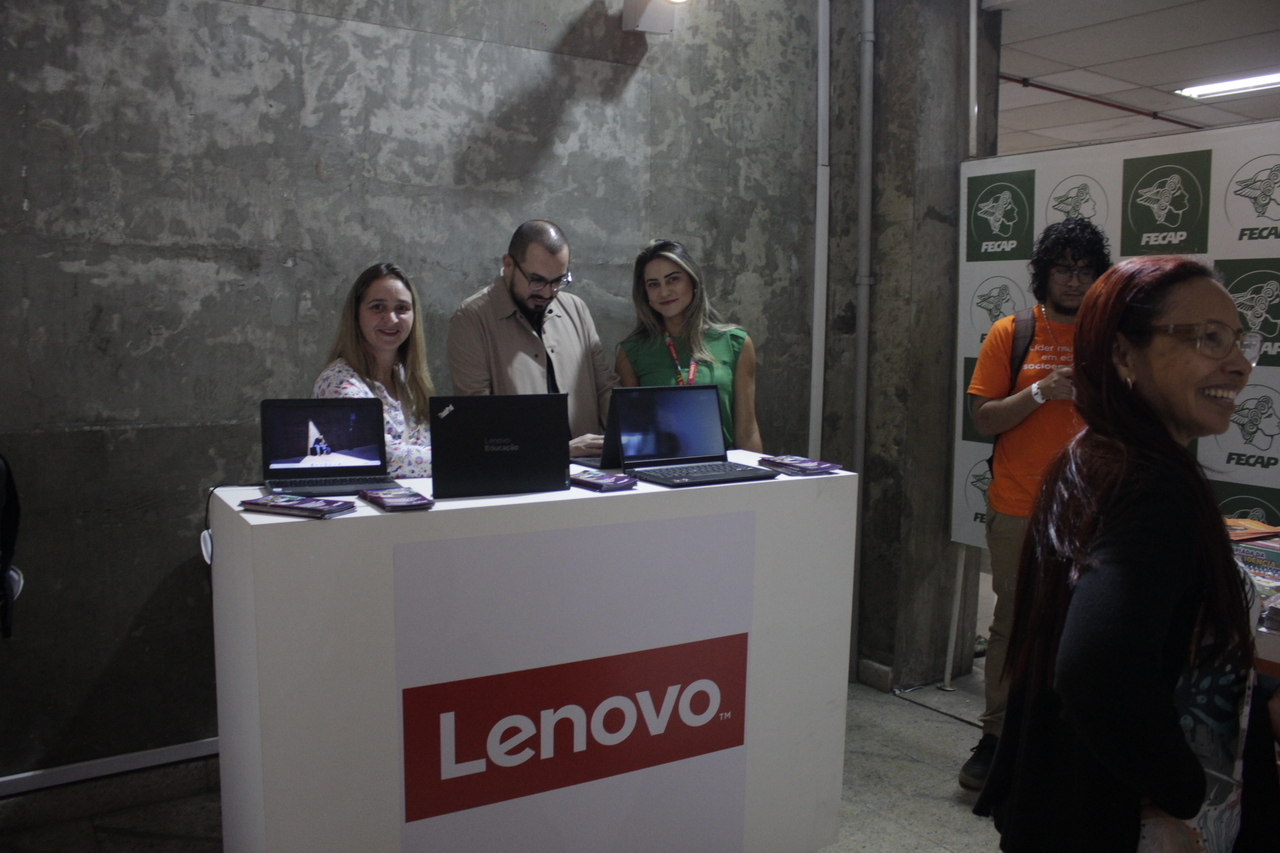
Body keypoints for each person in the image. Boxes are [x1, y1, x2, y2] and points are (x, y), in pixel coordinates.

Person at [974, 256, 1279, 851]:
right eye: (1208, 339)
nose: (1239, 365)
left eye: (1239, 340)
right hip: (1112, 821)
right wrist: (1186, 789)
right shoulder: (1149, 487)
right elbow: (1096, 669)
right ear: (1121, 355)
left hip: (1062, 804)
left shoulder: (1095, 456)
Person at [960, 218, 1112, 789]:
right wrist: (1042, 389)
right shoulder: (1012, 331)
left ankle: (1063, 737)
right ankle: (996, 736)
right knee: (1013, 622)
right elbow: (983, 419)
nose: (1073, 280)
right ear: (1043, 274)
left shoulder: (1113, 335)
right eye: (1062, 268)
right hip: (1019, 505)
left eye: (1084, 269)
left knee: (1086, 627)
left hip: (1094, 512)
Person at [447, 220, 617, 457]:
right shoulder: (471, 319)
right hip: (518, 473)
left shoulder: (576, 309)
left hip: (590, 469)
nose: (547, 292)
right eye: (536, 280)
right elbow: (479, 421)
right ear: (508, 264)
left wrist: (630, 441)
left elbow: (605, 389)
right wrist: (559, 451)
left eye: (558, 281)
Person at [614, 240, 763, 452]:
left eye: (673, 279)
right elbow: (634, 438)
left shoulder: (735, 343)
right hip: (659, 465)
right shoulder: (632, 353)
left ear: (693, 282)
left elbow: (747, 432)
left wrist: (751, 473)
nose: (664, 292)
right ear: (645, 293)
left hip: (724, 464)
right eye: (653, 284)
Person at [314, 262, 435, 477]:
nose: (391, 319)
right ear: (356, 314)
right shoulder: (337, 383)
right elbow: (377, 454)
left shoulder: (408, 380)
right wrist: (456, 457)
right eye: (378, 307)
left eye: (402, 308)